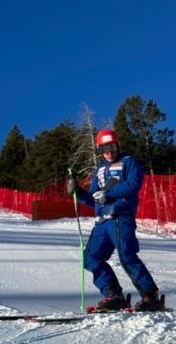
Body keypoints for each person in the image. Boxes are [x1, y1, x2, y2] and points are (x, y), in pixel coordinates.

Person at [67, 129, 163, 312]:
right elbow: (95, 197)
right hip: (102, 221)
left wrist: (108, 193)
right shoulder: (99, 170)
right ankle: (114, 295)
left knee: (126, 255)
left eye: (111, 146)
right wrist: (77, 192)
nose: (108, 151)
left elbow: (133, 185)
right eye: (104, 148)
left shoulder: (129, 162)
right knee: (91, 259)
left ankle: (150, 295)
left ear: (117, 145)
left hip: (120, 216)